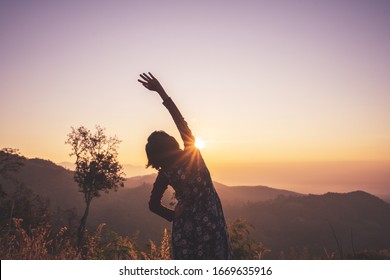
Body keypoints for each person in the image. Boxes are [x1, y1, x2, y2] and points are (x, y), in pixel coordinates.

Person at [138, 72, 233, 260]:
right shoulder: (193, 156)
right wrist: (161, 92)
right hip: (212, 229)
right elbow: (180, 121)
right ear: (171, 143)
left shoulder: (165, 174)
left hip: (186, 233)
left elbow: (153, 205)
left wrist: (173, 215)